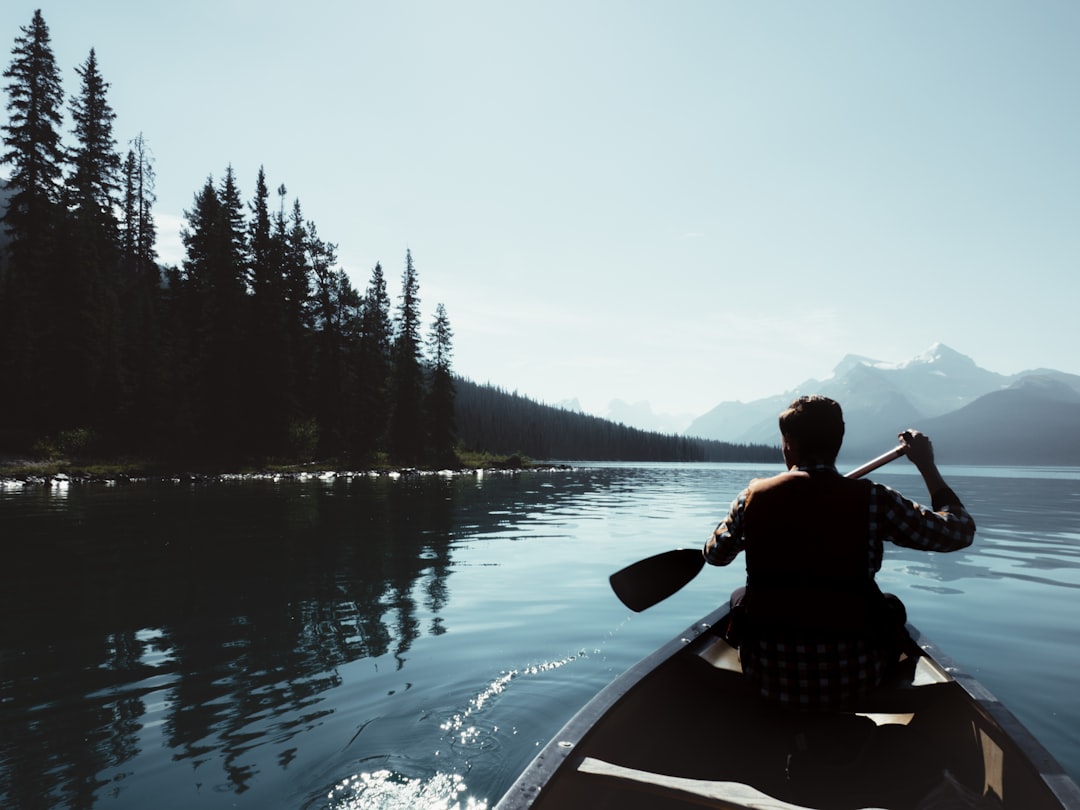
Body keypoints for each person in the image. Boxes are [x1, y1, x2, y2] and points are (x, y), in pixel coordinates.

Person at [704, 395, 976, 711]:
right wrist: (927, 465)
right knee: (891, 607)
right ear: (838, 442)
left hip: (767, 675)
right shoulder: (874, 500)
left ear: (788, 443)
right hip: (856, 678)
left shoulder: (752, 499)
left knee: (741, 597)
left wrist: (759, 529)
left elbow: (715, 555)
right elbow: (960, 532)